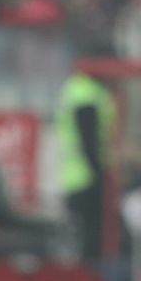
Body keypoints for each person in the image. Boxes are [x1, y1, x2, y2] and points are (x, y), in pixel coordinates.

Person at [55, 69, 117, 263]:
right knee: (91, 242)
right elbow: (88, 138)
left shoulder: (77, 88)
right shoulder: (86, 92)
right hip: (87, 178)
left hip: (75, 177)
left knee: (83, 240)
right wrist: (100, 174)